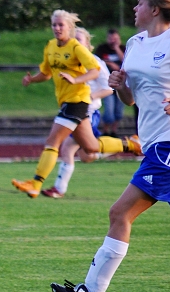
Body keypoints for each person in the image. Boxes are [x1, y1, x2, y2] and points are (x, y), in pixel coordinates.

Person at [51, 0, 170, 292]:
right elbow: (132, 99)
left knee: (120, 213)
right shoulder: (134, 44)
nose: (134, 7)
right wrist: (120, 87)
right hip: (159, 146)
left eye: (139, 2)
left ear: (155, 9)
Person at [12, 10, 141, 199]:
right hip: (67, 102)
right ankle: (131, 144)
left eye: (61, 25)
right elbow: (47, 73)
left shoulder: (75, 48)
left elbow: (95, 71)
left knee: (53, 142)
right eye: (54, 25)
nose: (56, 28)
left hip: (78, 102)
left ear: (70, 28)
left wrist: (75, 80)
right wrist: (32, 80)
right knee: (90, 148)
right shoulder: (50, 47)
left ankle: (35, 183)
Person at [41, 28, 117, 198]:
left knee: (67, 147)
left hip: (88, 112)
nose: (75, 43)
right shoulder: (68, 61)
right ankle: (119, 146)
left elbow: (109, 88)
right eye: (73, 39)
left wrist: (91, 96)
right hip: (72, 110)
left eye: (79, 40)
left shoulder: (95, 62)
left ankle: (58, 189)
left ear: (88, 45)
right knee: (86, 156)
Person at [95, 28, 127, 136]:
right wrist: (109, 64)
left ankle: (114, 131)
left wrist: (117, 48)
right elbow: (96, 61)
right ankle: (105, 131)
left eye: (115, 39)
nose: (113, 41)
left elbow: (126, 61)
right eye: (111, 38)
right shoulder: (102, 49)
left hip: (120, 84)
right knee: (109, 110)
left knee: (118, 110)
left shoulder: (123, 48)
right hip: (107, 84)